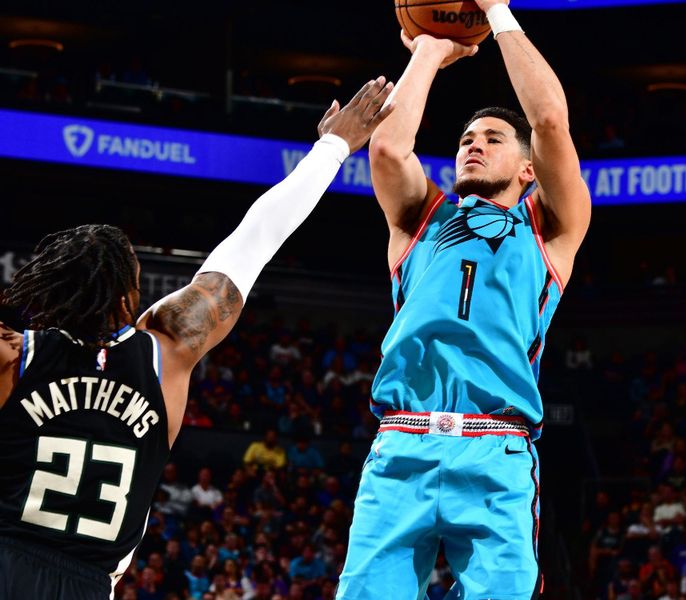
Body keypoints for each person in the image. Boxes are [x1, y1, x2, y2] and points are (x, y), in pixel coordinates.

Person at [0, 76, 395, 599]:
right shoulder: (169, 349)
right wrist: (333, 148)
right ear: (130, 296)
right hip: (90, 583)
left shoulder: (14, 355)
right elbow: (255, 239)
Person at [336, 2, 591, 598]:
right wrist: (428, 50)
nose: (473, 146)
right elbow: (387, 152)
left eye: (493, 139)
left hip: (496, 451)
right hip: (401, 442)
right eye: (465, 139)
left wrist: (497, 11)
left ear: (529, 168)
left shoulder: (549, 228)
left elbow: (550, 119)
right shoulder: (423, 220)